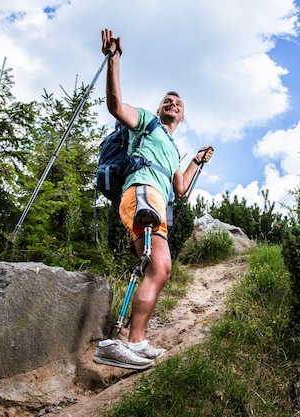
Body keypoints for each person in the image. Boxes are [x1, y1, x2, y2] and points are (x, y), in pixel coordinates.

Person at [93, 29, 214, 370]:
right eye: (167, 101)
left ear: (183, 115)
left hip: (157, 197)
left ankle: (137, 341)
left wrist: (196, 161)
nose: (172, 104)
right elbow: (116, 105)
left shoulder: (173, 149)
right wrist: (114, 60)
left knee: (157, 267)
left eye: (178, 103)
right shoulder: (146, 122)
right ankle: (125, 343)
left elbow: (180, 189)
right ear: (160, 108)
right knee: (158, 266)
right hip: (140, 191)